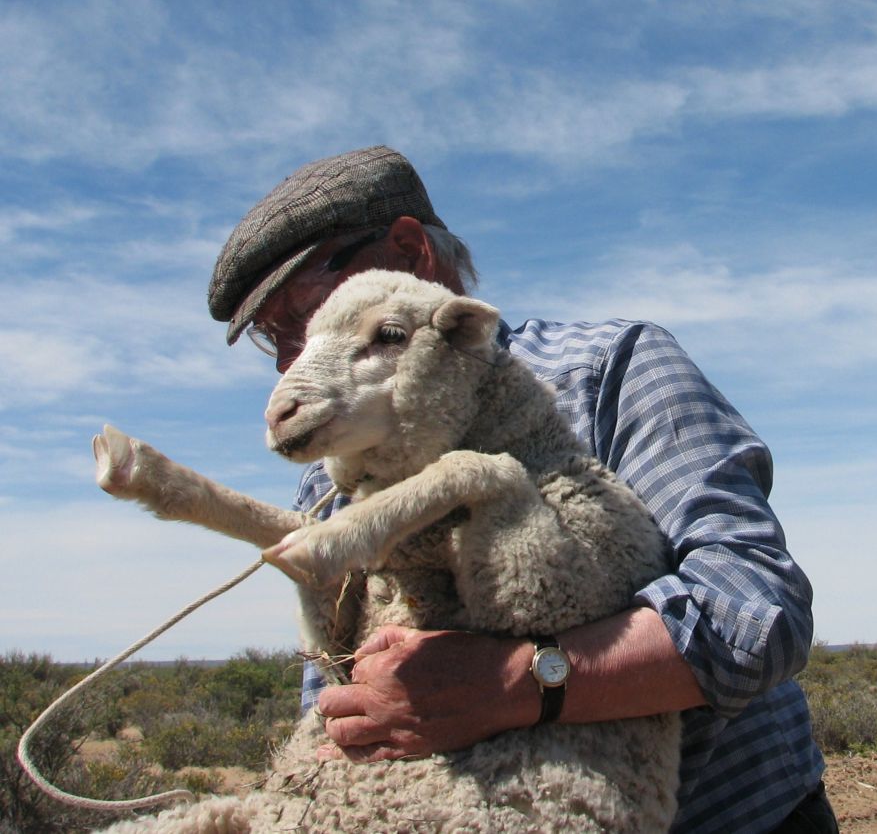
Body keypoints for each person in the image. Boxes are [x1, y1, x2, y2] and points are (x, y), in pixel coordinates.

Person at [208, 146, 839, 833]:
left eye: (304, 315)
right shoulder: (332, 478)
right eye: (276, 340)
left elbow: (755, 612)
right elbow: (339, 685)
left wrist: (515, 682)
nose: (294, 362)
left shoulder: (610, 369)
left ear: (410, 253)